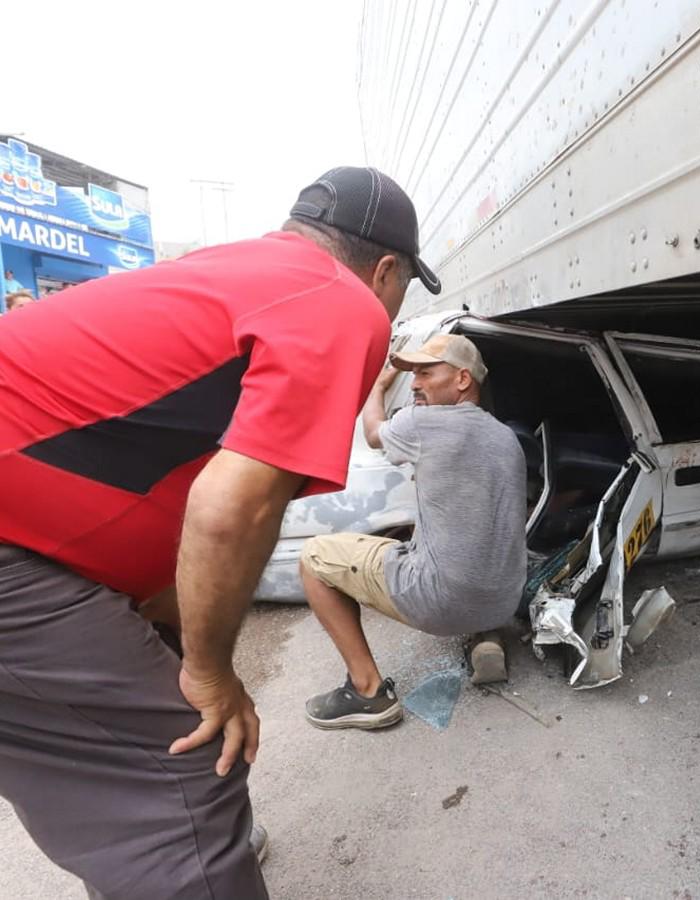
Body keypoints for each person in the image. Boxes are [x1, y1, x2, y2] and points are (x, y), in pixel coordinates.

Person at [0, 166, 441, 898]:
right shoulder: (340, 299)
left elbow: (176, 509)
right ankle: (189, 852)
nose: (390, 312)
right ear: (385, 270)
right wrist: (211, 674)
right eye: (398, 293)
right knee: (188, 765)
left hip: (38, 552)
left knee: (135, 757)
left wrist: (180, 645)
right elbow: (232, 509)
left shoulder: (232, 273)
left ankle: (180, 860)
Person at [301, 333, 527, 730]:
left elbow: (373, 432)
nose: (416, 383)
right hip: (505, 600)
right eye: (412, 374)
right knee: (462, 546)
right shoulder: (506, 438)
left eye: (425, 372)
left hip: (441, 602)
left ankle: (367, 693)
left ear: (462, 380)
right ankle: (485, 635)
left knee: (314, 558)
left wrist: (379, 386)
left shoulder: (422, 423)